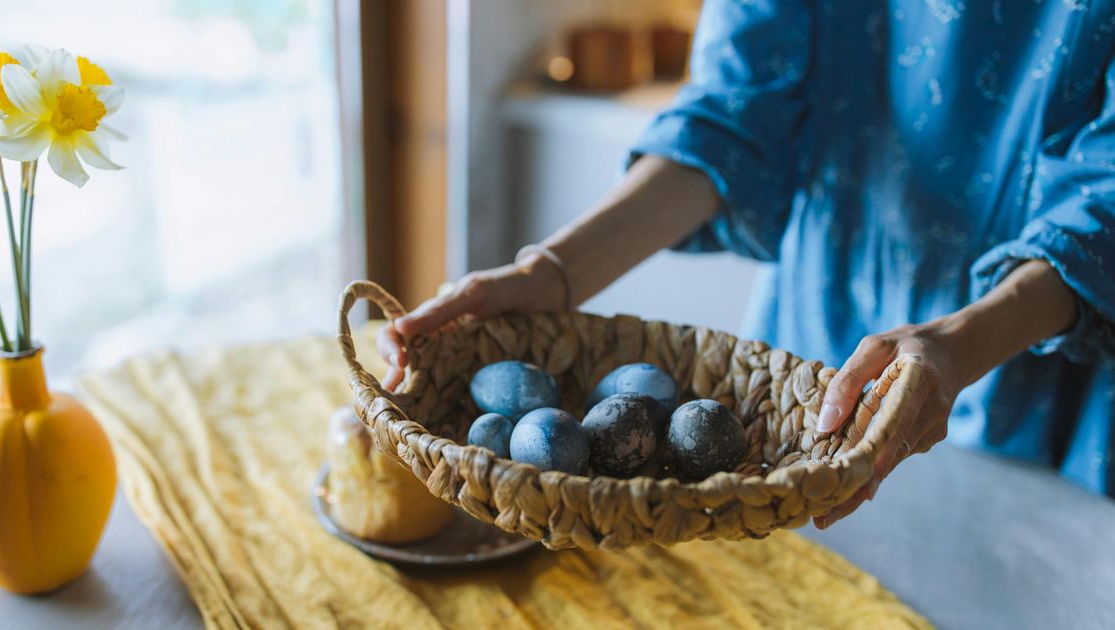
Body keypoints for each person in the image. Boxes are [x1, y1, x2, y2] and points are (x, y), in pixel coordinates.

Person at [378, 2, 1115, 527]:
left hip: (1044, 373)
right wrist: (551, 273)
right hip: (807, 372)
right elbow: (733, 116)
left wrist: (965, 341)